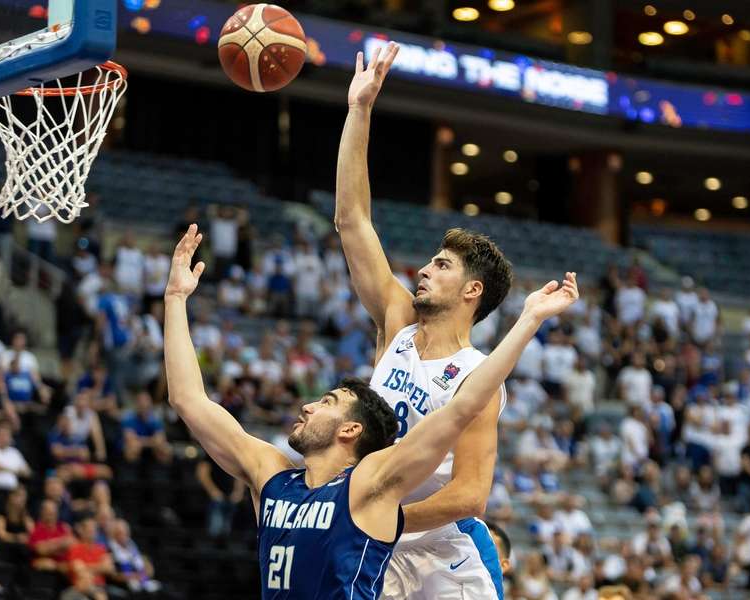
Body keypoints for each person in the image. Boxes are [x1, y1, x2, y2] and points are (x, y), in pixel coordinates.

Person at [164, 223, 578, 599]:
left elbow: (462, 409)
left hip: (439, 555)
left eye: (327, 402)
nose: (307, 405)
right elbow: (188, 399)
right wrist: (176, 298)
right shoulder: (272, 477)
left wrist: (529, 320)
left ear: (350, 430)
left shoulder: (367, 495)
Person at [336, 43, 517, 599]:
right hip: (377, 536)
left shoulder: (478, 375)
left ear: (471, 291)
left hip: (441, 552)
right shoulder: (396, 321)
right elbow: (351, 220)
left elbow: (469, 494)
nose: (424, 271)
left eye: (441, 266)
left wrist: (383, 518)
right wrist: (359, 110)